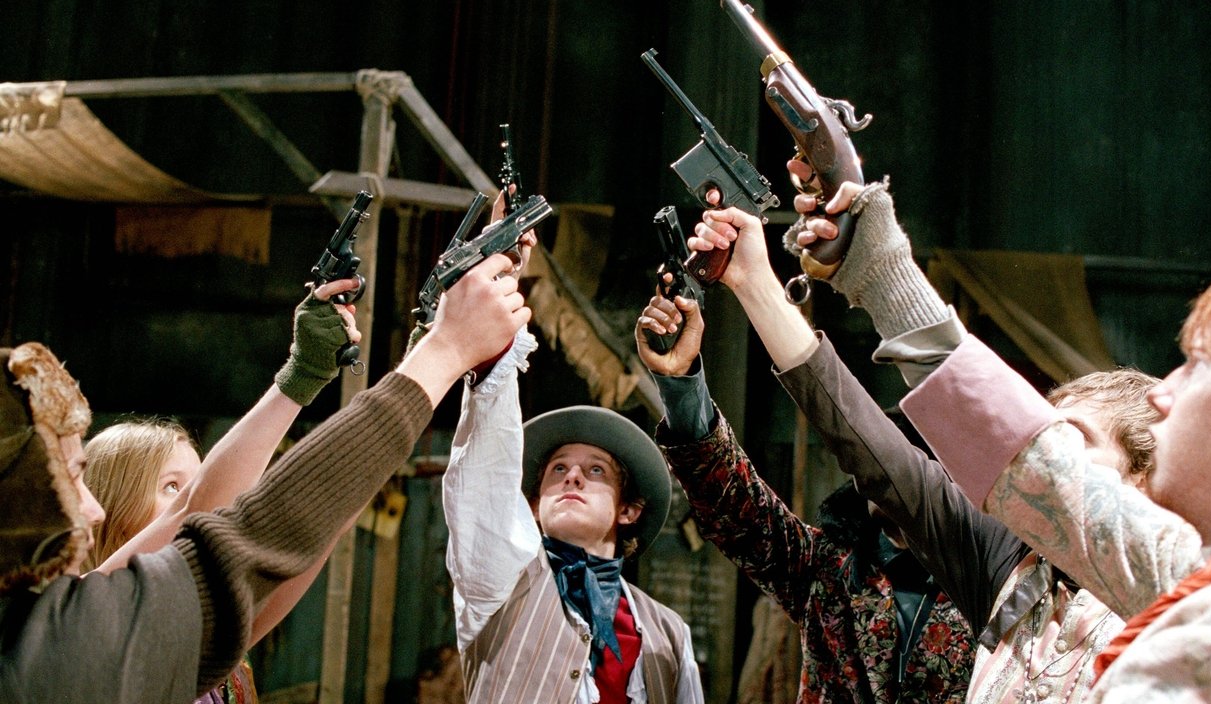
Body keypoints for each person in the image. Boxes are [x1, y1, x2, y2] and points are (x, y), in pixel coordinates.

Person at [782, 167, 1211, 699]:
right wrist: (879, 268)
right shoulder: (1190, 572)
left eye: (1199, 364)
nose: (1165, 391)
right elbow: (1029, 454)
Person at [682, 183, 1176, 703]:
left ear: (1143, 476)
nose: (1046, 457)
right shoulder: (1009, 566)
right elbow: (873, 450)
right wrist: (756, 283)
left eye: (1075, 439)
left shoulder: (1190, 596)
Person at [0, 252, 527, 702]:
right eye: (69, 480)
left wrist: (313, 378)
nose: (88, 508)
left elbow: (288, 532)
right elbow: (220, 518)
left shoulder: (69, 636)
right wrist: (443, 352)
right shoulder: (65, 649)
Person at [634, 285, 975, 703]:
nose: (890, 480)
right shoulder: (826, 567)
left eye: (910, 467)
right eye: (880, 466)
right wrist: (680, 380)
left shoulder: (987, 580)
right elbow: (731, 498)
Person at [82, 279, 363, 703]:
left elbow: (319, 535)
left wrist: (423, 367)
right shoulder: (81, 621)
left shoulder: (207, 633)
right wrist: (303, 372)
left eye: (194, 482)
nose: (207, 503)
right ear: (112, 509)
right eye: (172, 486)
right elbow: (197, 507)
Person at [444, 304, 702, 700]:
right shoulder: (499, 583)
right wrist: (493, 349)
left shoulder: (669, 633)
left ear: (627, 510)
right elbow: (480, 484)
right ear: (534, 507)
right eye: (558, 469)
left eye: (596, 470)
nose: (573, 476)